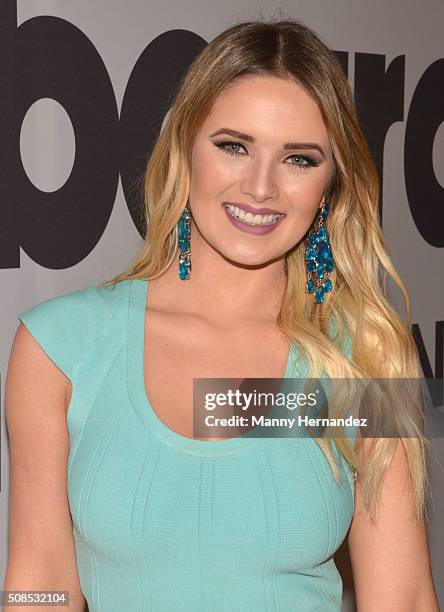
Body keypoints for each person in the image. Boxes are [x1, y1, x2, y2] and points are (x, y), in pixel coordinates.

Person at [4, 17, 439, 612]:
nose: (260, 187)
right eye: (233, 145)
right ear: (185, 147)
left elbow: (403, 599)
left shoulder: (362, 357)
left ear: (332, 185)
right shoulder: (61, 347)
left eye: (300, 159)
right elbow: (39, 583)